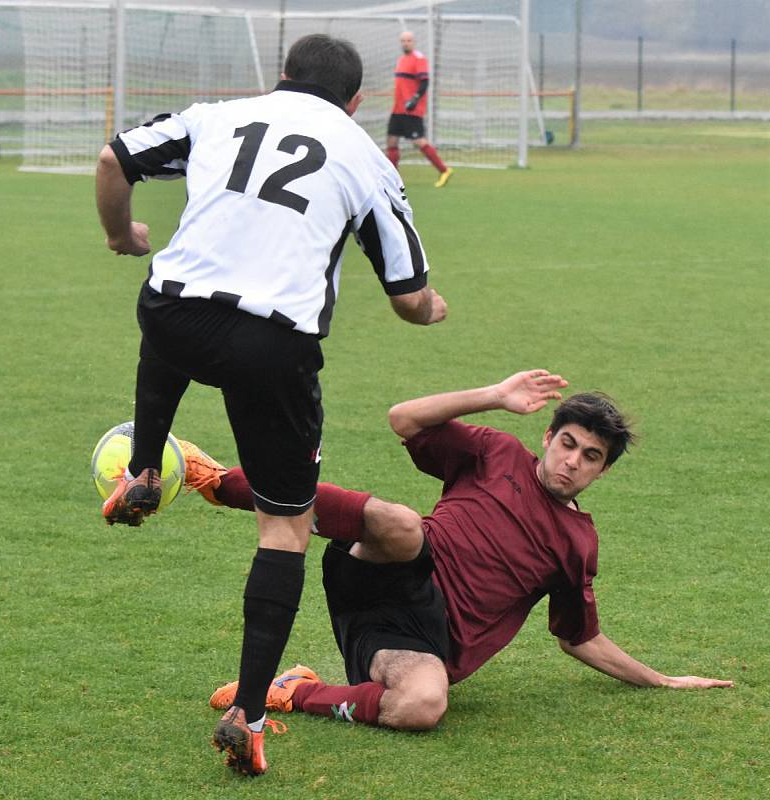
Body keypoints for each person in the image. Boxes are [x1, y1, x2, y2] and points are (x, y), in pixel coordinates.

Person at [94, 34, 447, 776]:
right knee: (284, 526)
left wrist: (120, 232)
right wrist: (432, 309)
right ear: (356, 102)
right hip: (271, 346)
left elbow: (113, 159)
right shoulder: (364, 158)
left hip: (175, 311)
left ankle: (145, 468)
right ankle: (249, 713)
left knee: (167, 306)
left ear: (280, 78)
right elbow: (409, 297)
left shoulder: (219, 115)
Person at [178, 369, 733, 732]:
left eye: (591, 456)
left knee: (424, 705)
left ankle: (297, 691)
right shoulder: (497, 452)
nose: (572, 461)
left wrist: (659, 679)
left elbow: (577, 637)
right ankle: (219, 482)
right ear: (548, 437)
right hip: (388, 570)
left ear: (603, 470)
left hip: (414, 640)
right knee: (400, 523)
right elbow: (403, 418)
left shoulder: (578, 543)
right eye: (568, 443)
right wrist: (494, 396)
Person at [386, 31, 453, 188]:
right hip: (398, 109)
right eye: (403, 40)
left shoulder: (419, 59)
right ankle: (392, 178)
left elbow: (424, 83)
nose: (405, 43)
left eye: (408, 40)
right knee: (391, 141)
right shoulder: (401, 59)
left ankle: (444, 170)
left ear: (414, 42)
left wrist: (414, 99)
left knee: (418, 141)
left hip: (411, 110)